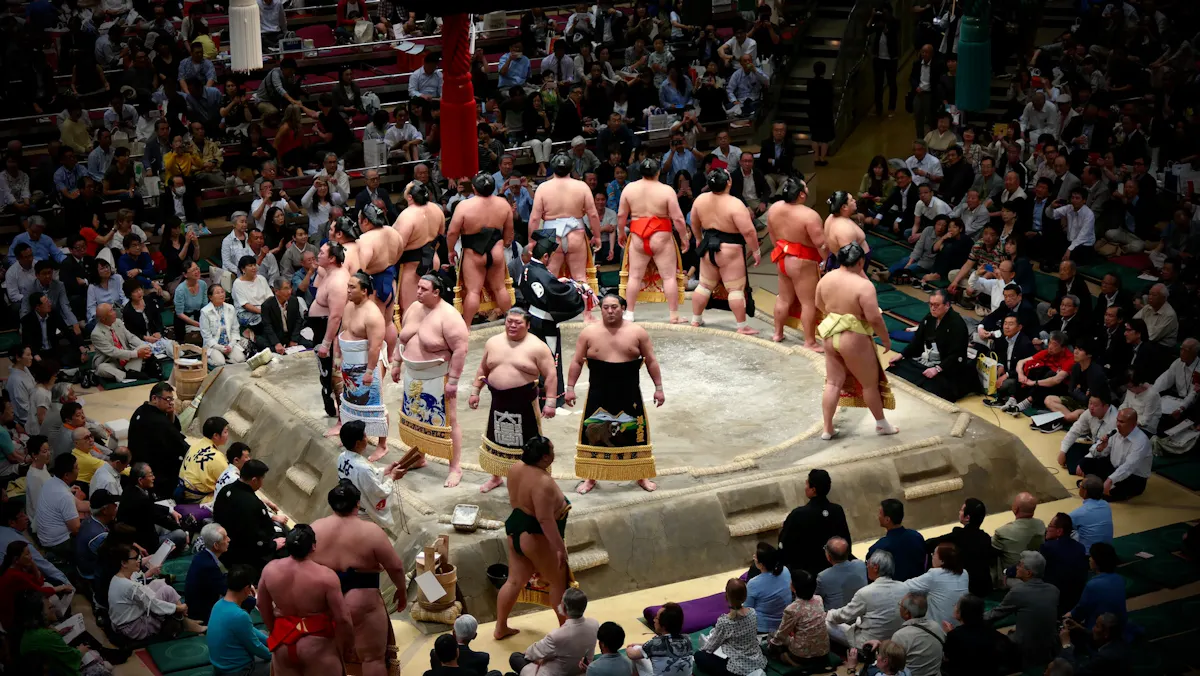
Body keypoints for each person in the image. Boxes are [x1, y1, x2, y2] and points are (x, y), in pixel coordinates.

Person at [565, 294, 663, 493]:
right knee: (592, 432)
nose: (610, 311)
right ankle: (591, 477)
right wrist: (570, 388)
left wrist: (659, 388)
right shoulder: (588, 333)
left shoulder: (637, 332)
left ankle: (640, 475)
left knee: (634, 431)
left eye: (614, 307)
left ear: (623, 308)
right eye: (606, 307)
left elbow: (651, 360)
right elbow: (577, 361)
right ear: (600, 309)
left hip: (629, 391)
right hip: (598, 391)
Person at [312, 482, 408, 676]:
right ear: (357, 504)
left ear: (331, 504)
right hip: (362, 600)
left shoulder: (314, 529)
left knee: (329, 657)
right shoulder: (371, 532)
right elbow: (395, 567)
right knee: (372, 658)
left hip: (326, 601)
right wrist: (402, 590)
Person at [467, 309, 556, 493]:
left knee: (530, 443)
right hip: (498, 401)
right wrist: (475, 391)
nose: (512, 325)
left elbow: (551, 375)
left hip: (525, 402)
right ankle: (496, 477)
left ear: (528, 325)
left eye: (518, 322)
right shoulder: (493, 342)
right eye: (509, 321)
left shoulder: (538, 346)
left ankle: (535, 480)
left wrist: (551, 402)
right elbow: (483, 368)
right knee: (496, 438)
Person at [393, 275, 470, 486]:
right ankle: (420, 457)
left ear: (436, 292)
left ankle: (455, 468)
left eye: (423, 289)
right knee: (417, 418)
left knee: (449, 421)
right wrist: (396, 362)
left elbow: (460, 349)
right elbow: (402, 338)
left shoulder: (449, 316)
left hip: (438, 376)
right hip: (412, 373)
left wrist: (453, 380)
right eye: (418, 287)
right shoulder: (414, 308)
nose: (418, 291)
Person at [815, 244, 898, 438]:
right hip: (853, 338)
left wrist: (837, 315)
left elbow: (819, 304)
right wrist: (886, 340)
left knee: (833, 383)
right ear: (861, 262)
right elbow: (874, 318)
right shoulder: (863, 285)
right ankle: (882, 424)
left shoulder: (826, 277)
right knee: (869, 384)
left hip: (829, 333)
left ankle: (827, 429)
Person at [495, 437, 572, 638]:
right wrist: (559, 548)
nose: (555, 452)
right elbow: (545, 520)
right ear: (545, 457)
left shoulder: (516, 468)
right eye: (552, 449)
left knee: (513, 581)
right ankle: (566, 634)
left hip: (515, 529)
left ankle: (500, 628)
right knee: (558, 583)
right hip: (536, 536)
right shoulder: (543, 483)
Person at [258, 525, 355, 676]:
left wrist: (275, 631)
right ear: (313, 546)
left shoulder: (270, 569)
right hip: (317, 647)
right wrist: (348, 647)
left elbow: (261, 604)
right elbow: (343, 617)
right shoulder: (326, 577)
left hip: (283, 643)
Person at [528, 155, 601, 321]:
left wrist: (532, 241)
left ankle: (549, 314)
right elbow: (593, 214)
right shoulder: (581, 186)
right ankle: (587, 315)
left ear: (552, 168)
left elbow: (534, 218)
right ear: (571, 168)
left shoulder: (543, 188)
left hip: (550, 235)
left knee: (549, 276)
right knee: (580, 276)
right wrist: (596, 236)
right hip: (576, 233)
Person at [518, 239, 588, 410]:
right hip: (545, 322)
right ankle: (553, 400)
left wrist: (558, 282)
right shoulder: (542, 273)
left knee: (535, 356)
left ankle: (537, 396)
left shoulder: (527, 268)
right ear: (546, 256)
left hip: (534, 318)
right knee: (550, 359)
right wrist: (578, 289)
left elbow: (550, 286)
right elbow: (557, 293)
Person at [617, 159, 690, 324]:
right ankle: (673, 315)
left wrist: (621, 232)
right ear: (658, 172)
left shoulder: (629, 188)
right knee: (669, 277)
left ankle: (629, 313)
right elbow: (678, 218)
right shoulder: (666, 190)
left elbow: (621, 215)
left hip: (637, 235)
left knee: (634, 277)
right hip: (661, 237)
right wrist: (684, 238)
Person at [689, 169, 761, 332]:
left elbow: (694, 222)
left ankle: (696, 319)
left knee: (704, 286)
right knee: (735, 289)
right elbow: (749, 231)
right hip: (730, 249)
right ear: (729, 182)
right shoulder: (735, 204)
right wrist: (756, 251)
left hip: (707, 247)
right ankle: (742, 326)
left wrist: (699, 238)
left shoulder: (700, 200)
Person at [448, 173, 516, 324]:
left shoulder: (464, 206)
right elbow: (509, 230)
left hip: (473, 252)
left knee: (473, 291)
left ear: (473, 188)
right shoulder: (503, 204)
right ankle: (512, 320)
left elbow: (452, 232)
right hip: (496, 251)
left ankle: (465, 326)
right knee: (500, 289)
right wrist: (504, 243)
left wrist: (451, 250)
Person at [767, 178, 826, 347]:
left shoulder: (774, 208)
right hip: (802, 261)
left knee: (784, 298)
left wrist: (781, 250)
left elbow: (772, 235)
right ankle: (809, 342)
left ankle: (777, 333)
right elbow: (820, 244)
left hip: (782, 257)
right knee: (808, 303)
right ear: (801, 194)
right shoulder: (809, 215)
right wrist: (826, 261)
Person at [109, 540, 205, 641]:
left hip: (127, 621)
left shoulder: (118, 577)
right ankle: (184, 621)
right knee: (167, 591)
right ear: (124, 563)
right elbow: (154, 605)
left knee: (158, 583)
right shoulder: (129, 586)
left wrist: (150, 572)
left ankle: (184, 621)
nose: (138, 561)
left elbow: (141, 588)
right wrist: (178, 608)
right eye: (135, 558)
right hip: (134, 628)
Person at [889, 290, 973, 401]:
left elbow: (956, 354)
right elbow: (917, 341)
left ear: (947, 305)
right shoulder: (930, 318)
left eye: (936, 305)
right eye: (931, 304)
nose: (933, 308)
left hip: (947, 367)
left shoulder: (957, 324)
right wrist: (901, 354)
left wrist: (937, 369)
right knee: (896, 368)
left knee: (930, 388)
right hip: (927, 360)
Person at [985, 551, 1060, 668]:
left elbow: (995, 614)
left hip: (1026, 649)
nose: (1017, 567)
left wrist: (970, 617)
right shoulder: (1054, 590)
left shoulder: (1019, 591)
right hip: (1050, 646)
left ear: (1029, 573)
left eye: (1020, 565)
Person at [212, 460, 285, 575]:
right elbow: (255, 539)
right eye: (262, 479)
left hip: (224, 544)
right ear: (254, 480)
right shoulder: (253, 504)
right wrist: (273, 545)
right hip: (241, 554)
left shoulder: (226, 490)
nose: (262, 483)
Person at [778, 469, 851, 577]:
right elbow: (846, 540)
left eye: (807, 484)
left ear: (813, 489)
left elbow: (784, 545)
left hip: (807, 575)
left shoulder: (798, 514)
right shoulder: (837, 510)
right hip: (836, 569)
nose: (805, 487)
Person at [207, 564, 271, 676]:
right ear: (247, 589)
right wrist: (277, 655)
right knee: (284, 664)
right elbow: (255, 647)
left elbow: (250, 630)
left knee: (263, 634)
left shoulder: (218, 605)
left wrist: (272, 642)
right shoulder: (239, 615)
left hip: (220, 667)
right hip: (238, 671)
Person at [128, 382, 189, 499]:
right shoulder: (159, 422)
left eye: (172, 399)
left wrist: (171, 414)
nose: (171, 402)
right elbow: (179, 443)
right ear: (154, 398)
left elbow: (173, 431)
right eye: (167, 399)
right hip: (156, 473)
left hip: (137, 465)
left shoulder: (140, 410)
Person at [310, 243, 350, 418]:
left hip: (330, 333)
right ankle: (335, 411)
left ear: (332, 258)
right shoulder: (330, 272)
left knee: (335, 376)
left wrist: (327, 343)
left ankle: (343, 417)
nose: (317, 255)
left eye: (321, 253)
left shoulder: (338, 282)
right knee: (327, 375)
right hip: (321, 329)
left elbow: (336, 316)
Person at [695, 578, 767, 676]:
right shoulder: (753, 613)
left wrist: (704, 648)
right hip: (758, 662)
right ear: (745, 596)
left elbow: (710, 647)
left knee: (699, 656)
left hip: (737, 669)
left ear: (726, 596)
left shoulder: (725, 622)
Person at [1076, 408, 1151, 501]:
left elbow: (1129, 467)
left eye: (1122, 422)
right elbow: (1096, 451)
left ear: (1133, 424)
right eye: (1117, 420)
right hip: (1113, 468)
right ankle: (1099, 484)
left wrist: (1110, 480)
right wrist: (1101, 447)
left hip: (1133, 477)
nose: (1118, 424)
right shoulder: (1115, 432)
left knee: (1107, 494)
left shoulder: (1141, 441)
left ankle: (1101, 486)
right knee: (1087, 462)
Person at [116, 462, 188, 555]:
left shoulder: (129, 489)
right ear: (140, 480)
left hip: (138, 534)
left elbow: (152, 507)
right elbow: (161, 519)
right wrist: (183, 530)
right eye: (150, 475)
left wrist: (170, 510)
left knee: (169, 520)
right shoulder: (141, 499)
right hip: (146, 544)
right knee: (180, 534)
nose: (153, 478)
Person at [767, 568, 829, 668]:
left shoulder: (792, 609)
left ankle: (792, 661)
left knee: (772, 636)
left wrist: (771, 646)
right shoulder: (819, 599)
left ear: (793, 587)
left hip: (802, 655)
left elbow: (781, 635)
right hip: (823, 651)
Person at [37, 454, 85, 564]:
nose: (79, 469)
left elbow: (80, 505)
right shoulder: (64, 495)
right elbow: (76, 528)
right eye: (76, 467)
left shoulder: (51, 482)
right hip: (58, 543)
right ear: (67, 475)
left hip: (46, 537)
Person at [1039, 513, 1089, 616]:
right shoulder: (1080, 547)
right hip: (1076, 598)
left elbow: (1036, 570)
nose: (1047, 529)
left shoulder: (1047, 547)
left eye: (1050, 526)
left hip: (1055, 600)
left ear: (1059, 531)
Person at [941, 594, 1004, 676]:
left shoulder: (954, 635)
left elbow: (948, 658)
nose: (954, 607)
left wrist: (951, 634)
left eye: (956, 605)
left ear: (960, 612)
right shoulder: (990, 630)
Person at [90, 302, 154, 381]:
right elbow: (113, 352)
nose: (114, 312)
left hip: (127, 358)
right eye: (111, 311)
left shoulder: (118, 322)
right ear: (103, 318)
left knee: (144, 346)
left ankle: (132, 370)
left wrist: (144, 346)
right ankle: (128, 375)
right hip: (111, 362)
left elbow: (131, 337)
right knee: (101, 368)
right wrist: (136, 354)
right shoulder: (96, 334)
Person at [625, 603, 694, 676]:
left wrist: (629, 647)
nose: (654, 620)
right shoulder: (687, 638)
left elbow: (632, 655)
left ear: (664, 625)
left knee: (636, 648)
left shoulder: (655, 644)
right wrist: (641, 644)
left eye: (656, 618)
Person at [867, 499, 926, 582]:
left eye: (880, 513)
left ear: (887, 520)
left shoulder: (879, 548)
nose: (878, 516)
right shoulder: (917, 536)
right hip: (920, 586)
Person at [889, 591, 944, 676]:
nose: (899, 607)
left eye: (900, 604)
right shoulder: (936, 627)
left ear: (907, 613)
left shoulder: (900, 636)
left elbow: (892, 667)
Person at [178, 417, 231, 504]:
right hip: (196, 498)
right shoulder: (217, 458)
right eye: (225, 432)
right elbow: (229, 483)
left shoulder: (195, 445)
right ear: (216, 436)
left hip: (182, 489)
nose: (227, 435)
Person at [1059, 612, 1130, 675]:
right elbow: (1097, 637)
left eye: (1097, 626)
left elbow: (1076, 672)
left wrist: (1066, 644)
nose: (1093, 628)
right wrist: (1080, 628)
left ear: (1106, 633)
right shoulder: (1120, 642)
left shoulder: (1104, 658)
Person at [186, 523, 231, 623]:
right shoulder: (209, 567)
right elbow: (229, 593)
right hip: (204, 615)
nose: (228, 540)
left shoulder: (202, 555)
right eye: (225, 537)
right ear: (216, 545)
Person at [745, 543, 792, 633]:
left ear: (761, 564)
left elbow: (747, 611)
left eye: (756, 556)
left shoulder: (753, 583)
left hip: (763, 628)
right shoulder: (785, 570)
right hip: (784, 621)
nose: (753, 556)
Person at [815, 537, 868, 611]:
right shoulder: (860, 564)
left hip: (837, 618)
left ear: (828, 557)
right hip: (861, 611)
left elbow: (816, 599)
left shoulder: (823, 577)